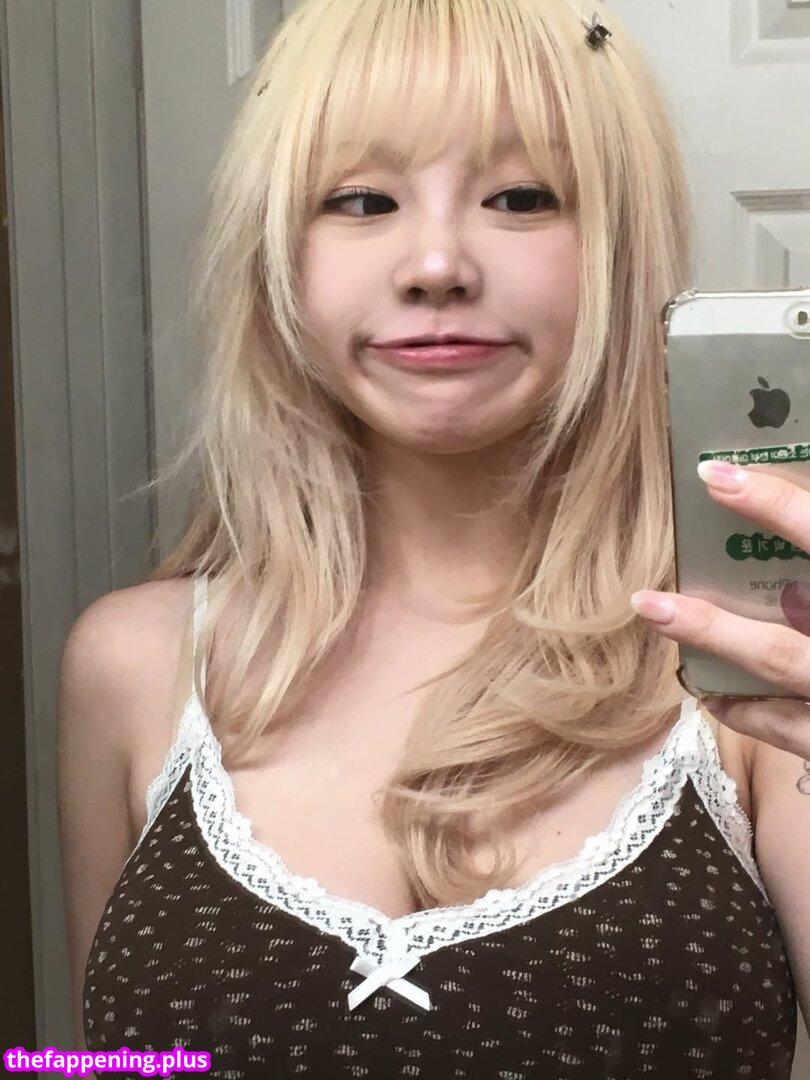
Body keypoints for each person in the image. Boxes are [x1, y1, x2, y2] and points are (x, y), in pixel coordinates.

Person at [57, 0, 808, 1076]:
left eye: (520, 197)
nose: (438, 263)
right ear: (276, 251)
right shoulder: (128, 667)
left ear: (616, 243)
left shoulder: (749, 663)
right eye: (362, 199)